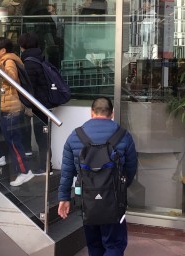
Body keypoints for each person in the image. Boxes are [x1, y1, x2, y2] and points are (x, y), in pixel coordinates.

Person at [58, 97, 138, 256]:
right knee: (115, 245)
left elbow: (67, 171)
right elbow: (131, 168)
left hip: (87, 202)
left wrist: (64, 198)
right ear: (112, 114)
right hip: (114, 202)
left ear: (91, 112)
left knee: (94, 245)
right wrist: (120, 187)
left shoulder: (75, 136)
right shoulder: (124, 135)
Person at [0, 37, 34, 187]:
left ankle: (25, 171)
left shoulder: (8, 61)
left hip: (11, 109)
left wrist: (1, 69)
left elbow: (12, 79)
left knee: (13, 142)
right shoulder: (1, 62)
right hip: (2, 107)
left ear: (3, 50)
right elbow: (0, 86)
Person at [18, 32, 53, 175]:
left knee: (41, 136)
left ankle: (45, 167)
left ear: (23, 46)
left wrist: (27, 105)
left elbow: (29, 87)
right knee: (43, 136)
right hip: (44, 103)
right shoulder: (40, 58)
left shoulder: (29, 63)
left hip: (39, 104)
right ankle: (46, 165)